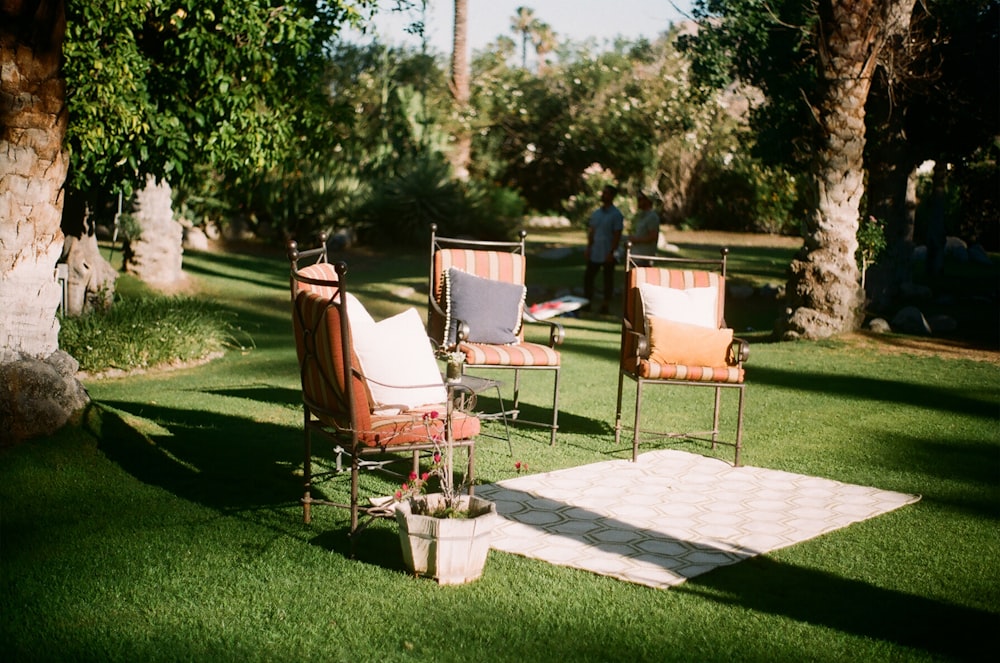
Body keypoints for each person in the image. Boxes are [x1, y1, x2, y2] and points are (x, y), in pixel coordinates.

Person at [583, 184, 624, 314]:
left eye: (606, 193)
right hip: (595, 251)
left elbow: (617, 235)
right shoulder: (596, 213)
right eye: (603, 192)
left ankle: (605, 305)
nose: (603, 195)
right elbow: (592, 231)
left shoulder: (616, 215)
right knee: (588, 277)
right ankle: (587, 302)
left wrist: (612, 252)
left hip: (607, 252)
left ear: (612, 196)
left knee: (608, 279)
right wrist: (589, 247)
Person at [627, 189, 661, 264]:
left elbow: (653, 236)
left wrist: (636, 240)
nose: (638, 200)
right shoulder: (639, 216)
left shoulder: (652, 217)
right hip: (634, 256)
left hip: (644, 258)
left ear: (648, 200)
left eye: (641, 198)